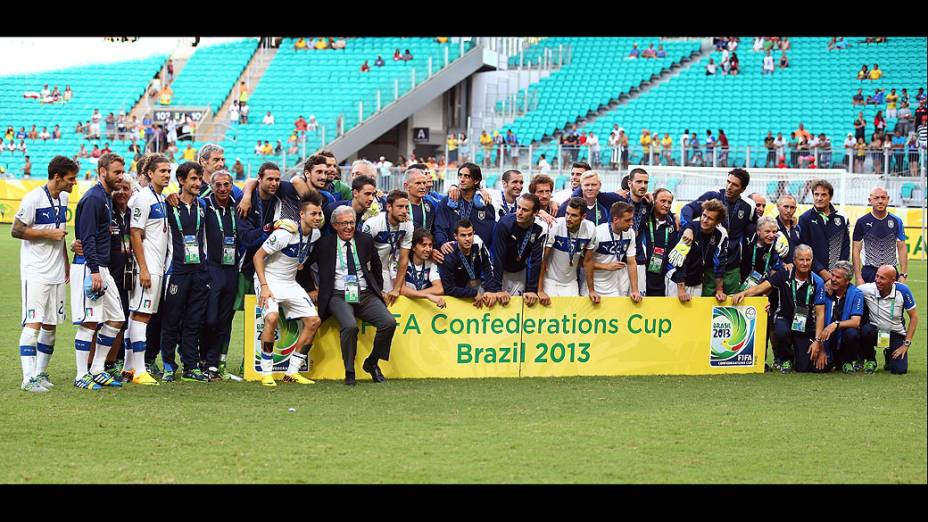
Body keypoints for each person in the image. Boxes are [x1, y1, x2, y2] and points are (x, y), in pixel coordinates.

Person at [303, 206, 397, 386]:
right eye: (344, 223)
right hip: (337, 295)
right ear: (334, 225)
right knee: (350, 326)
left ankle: (371, 363)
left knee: (388, 323)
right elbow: (304, 266)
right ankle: (350, 371)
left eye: (352, 223)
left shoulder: (365, 240)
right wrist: (312, 288)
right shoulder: (324, 244)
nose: (348, 227)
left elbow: (377, 267)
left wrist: (378, 289)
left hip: (365, 293)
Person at [12, 156, 77, 392]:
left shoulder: (65, 198)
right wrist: (47, 234)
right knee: (34, 323)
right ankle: (27, 378)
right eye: (71, 179)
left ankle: (40, 373)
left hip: (57, 271)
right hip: (36, 271)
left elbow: (61, 236)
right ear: (57, 177)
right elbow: (16, 230)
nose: (75, 183)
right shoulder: (33, 198)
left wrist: (66, 263)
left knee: (51, 324)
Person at [253, 196, 325, 386]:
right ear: (302, 214)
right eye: (313, 213)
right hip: (268, 279)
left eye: (320, 213)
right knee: (272, 318)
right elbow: (258, 257)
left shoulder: (316, 235)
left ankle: (291, 372)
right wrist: (264, 286)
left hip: (289, 282)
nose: (317, 217)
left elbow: (301, 259)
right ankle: (266, 373)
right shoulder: (285, 233)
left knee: (313, 321)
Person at [70, 153, 127, 389]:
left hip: (101, 267)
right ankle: (81, 374)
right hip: (90, 267)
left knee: (116, 318)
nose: (120, 177)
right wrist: (94, 270)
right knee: (90, 321)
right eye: (116, 172)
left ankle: (97, 369)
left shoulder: (105, 197)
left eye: (122, 172)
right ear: (102, 172)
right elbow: (88, 238)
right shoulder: (94, 198)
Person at [731, 245, 828, 373]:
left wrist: (818, 342)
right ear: (794, 260)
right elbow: (763, 287)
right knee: (781, 331)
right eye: (801, 260)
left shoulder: (818, 282)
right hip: (785, 318)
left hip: (805, 324)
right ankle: (784, 359)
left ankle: (797, 355)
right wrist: (743, 293)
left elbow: (820, 314)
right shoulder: (784, 273)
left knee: (804, 367)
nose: (805, 263)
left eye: (808, 260)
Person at [158, 162, 210, 383]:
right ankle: (169, 365)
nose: (198, 183)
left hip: (199, 271)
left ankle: (191, 366)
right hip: (176, 271)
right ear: (181, 181)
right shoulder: (168, 205)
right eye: (193, 179)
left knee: (193, 321)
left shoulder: (203, 206)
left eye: (199, 179)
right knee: (171, 320)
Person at [123, 154, 171, 385]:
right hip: (148, 267)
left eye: (168, 171)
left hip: (156, 266)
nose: (167, 175)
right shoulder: (143, 198)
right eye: (162, 171)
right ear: (149, 173)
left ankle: (128, 367)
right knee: (142, 316)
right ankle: (140, 370)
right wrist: (143, 268)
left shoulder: (159, 198)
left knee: (137, 315)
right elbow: (135, 232)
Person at [679, 168, 758, 295]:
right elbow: (687, 209)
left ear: (743, 189)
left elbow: (757, 226)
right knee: (705, 307)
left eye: (735, 185)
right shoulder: (712, 196)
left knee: (732, 306)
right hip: (709, 266)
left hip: (733, 267)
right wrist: (688, 227)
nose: (729, 187)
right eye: (728, 182)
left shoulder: (749, 206)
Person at [200, 170, 241, 380]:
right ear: (212, 186)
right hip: (212, 267)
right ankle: (202, 358)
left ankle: (213, 363)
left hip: (232, 268)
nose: (223, 189)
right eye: (218, 185)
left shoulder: (239, 205)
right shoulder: (204, 205)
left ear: (232, 185)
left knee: (225, 319)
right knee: (210, 318)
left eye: (226, 185)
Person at [858, 265, 918, 375]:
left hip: (895, 333)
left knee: (899, 370)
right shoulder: (868, 288)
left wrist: (906, 344)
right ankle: (870, 358)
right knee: (865, 330)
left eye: (882, 278)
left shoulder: (903, 291)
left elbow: (914, 317)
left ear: (892, 281)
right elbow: (850, 290)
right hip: (874, 332)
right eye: (877, 276)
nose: (877, 280)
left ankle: (889, 354)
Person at [666, 199, 729, 303]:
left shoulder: (720, 234)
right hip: (676, 279)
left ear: (718, 222)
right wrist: (681, 290)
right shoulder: (688, 229)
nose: (704, 220)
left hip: (697, 281)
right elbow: (681, 261)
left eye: (710, 218)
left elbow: (720, 263)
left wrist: (719, 290)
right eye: (704, 215)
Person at [538, 197, 598, 302]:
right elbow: (543, 259)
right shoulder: (555, 225)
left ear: (583, 216)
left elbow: (588, 261)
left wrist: (591, 290)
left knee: (571, 317)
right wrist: (540, 290)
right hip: (550, 281)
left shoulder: (590, 228)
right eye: (567, 213)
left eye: (574, 215)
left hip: (571, 283)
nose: (568, 218)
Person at [490, 194, 546, 302]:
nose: (519, 212)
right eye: (518, 207)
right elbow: (498, 257)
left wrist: (531, 290)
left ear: (535, 213)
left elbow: (535, 261)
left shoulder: (540, 228)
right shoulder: (504, 224)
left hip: (520, 272)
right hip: (502, 271)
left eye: (525, 210)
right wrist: (497, 289)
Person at [361, 190, 414, 302]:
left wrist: (396, 288)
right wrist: (376, 289)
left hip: (389, 267)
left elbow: (404, 259)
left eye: (406, 207)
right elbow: (364, 260)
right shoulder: (372, 224)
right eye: (400, 207)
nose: (405, 211)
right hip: (370, 269)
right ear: (389, 207)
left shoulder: (408, 225)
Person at [434, 163, 495, 256]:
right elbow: (439, 228)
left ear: (476, 180)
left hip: (476, 258)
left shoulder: (486, 204)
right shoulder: (447, 201)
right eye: (460, 175)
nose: (462, 179)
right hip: (452, 255)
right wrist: (442, 243)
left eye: (467, 176)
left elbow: (489, 235)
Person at [586, 201, 642, 301]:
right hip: (590, 286)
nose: (631, 223)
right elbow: (582, 261)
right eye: (627, 220)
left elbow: (631, 262)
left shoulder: (630, 233)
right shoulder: (598, 233)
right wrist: (606, 266)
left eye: (632, 219)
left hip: (612, 287)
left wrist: (635, 290)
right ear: (616, 220)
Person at [852, 187, 907, 285]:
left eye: (883, 197)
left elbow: (902, 247)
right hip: (869, 271)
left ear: (888, 199)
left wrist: (903, 274)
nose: (880, 201)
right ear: (870, 200)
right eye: (876, 198)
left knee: (892, 300)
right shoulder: (862, 222)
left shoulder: (896, 221)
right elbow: (856, 249)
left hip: (891, 271)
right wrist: (858, 277)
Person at [798, 179, 850, 281]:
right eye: (816, 194)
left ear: (830, 197)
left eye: (823, 195)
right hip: (813, 274)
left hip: (837, 274)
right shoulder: (805, 218)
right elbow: (805, 248)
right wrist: (821, 270)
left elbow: (845, 247)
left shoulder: (841, 218)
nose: (819, 198)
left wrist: (839, 271)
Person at [821, 261, 865, 373]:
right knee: (817, 368)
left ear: (847, 281)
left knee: (852, 332)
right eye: (833, 275)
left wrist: (835, 325)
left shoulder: (856, 294)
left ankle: (848, 361)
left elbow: (856, 322)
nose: (833, 279)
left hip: (843, 337)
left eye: (838, 277)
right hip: (825, 339)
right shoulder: (824, 290)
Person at [399, 229, 445, 308]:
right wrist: (427, 295)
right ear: (413, 247)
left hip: (417, 308)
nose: (428, 249)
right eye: (424, 245)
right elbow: (401, 289)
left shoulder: (431, 263)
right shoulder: (402, 260)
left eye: (430, 245)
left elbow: (439, 289)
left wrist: (416, 294)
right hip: (401, 306)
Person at [738, 216, 783, 292]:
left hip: (763, 287)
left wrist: (766, 293)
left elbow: (774, 271)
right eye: (767, 231)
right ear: (758, 231)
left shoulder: (777, 245)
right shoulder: (746, 239)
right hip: (741, 283)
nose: (771, 235)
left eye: (774, 232)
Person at [404, 165, 436, 233]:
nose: (422, 187)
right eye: (418, 183)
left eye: (424, 183)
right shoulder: (399, 205)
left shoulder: (430, 204)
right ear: (406, 186)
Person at [774, 195, 801, 266]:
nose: (789, 211)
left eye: (792, 207)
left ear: (795, 209)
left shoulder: (797, 228)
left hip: (796, 270)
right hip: (777, 270)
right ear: (778, 207)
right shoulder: (772, 228)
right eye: (786, 207)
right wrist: (781, 264)